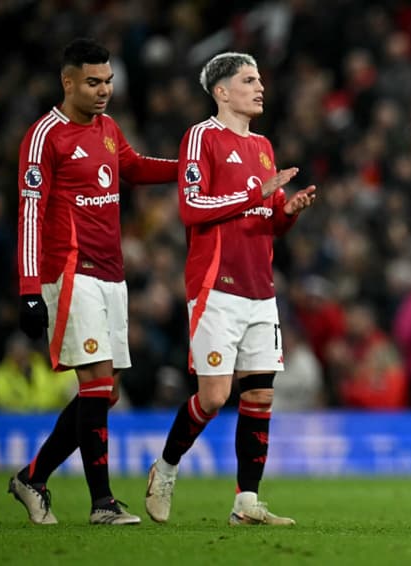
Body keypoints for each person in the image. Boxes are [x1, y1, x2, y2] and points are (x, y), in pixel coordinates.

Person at [9, 38, 177, 525]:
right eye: (93, 82)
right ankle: (102, 502)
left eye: (108, 81)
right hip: (70, 271)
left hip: (111, 274)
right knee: (97, 385)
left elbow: (136, 167)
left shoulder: (107, 129)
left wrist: (189, 170)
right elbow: (29, 214)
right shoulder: (45, 136)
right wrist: (28, 289)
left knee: (105, 392)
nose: (104, 90)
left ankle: (32, 477)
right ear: (68, 82)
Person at [144, 52, 316, 526]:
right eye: (248, 79)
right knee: (216, 396)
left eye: (260, 79)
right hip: (216, 287)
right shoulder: (202, 137)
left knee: (259, 396)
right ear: (221, 91)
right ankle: (166, 467)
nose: (260, 87)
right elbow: (193, 207)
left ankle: (247, 503)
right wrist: (256, 194)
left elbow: (269, 219)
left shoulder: (263, 145)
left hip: (261, 288)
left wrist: (289, 210)